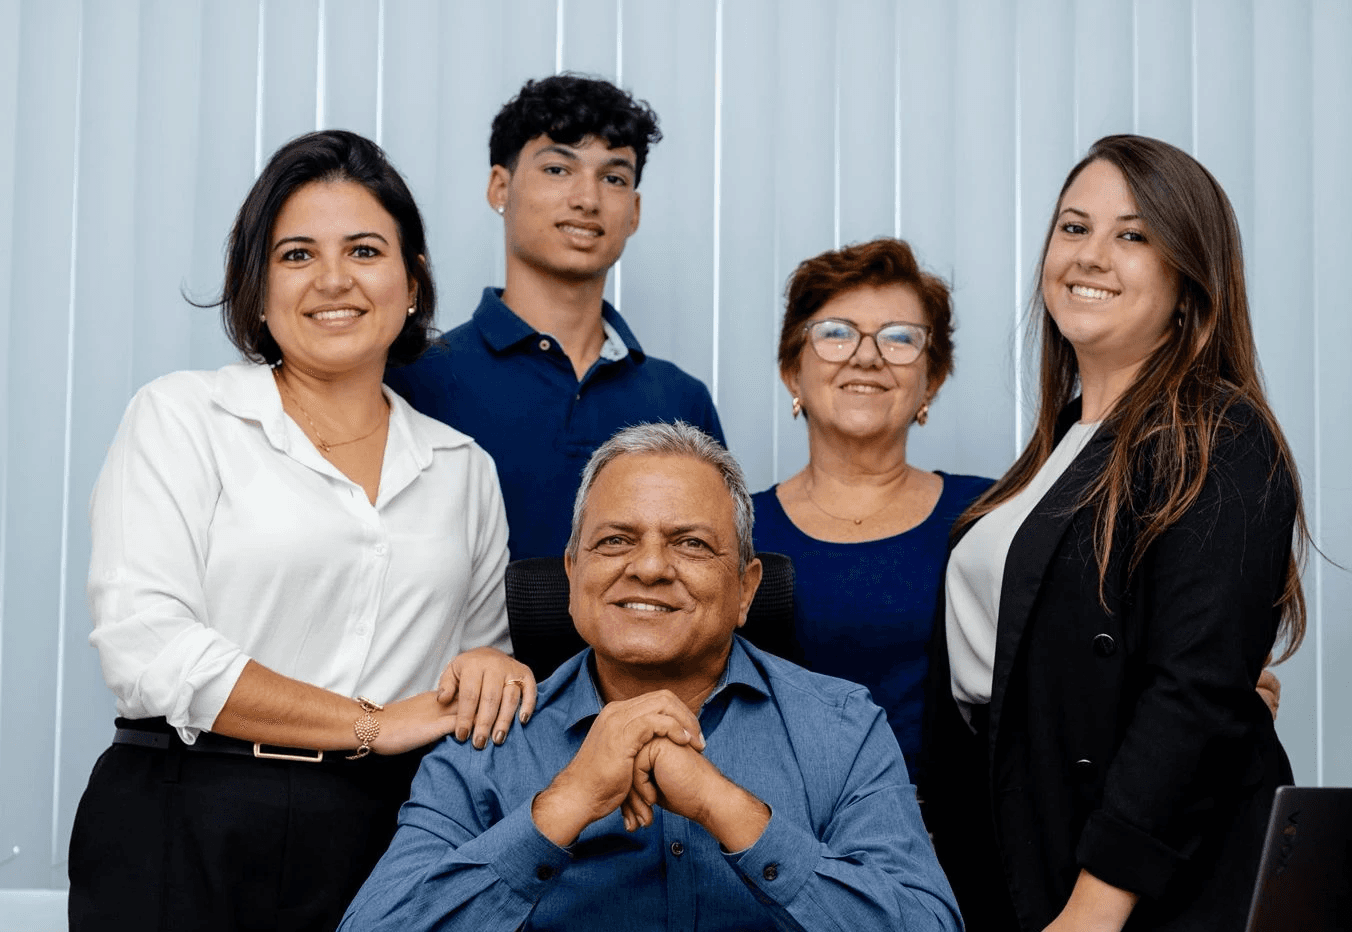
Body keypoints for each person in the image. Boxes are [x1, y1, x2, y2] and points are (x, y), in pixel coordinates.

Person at [69, 130, 536, 932]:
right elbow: (147, 648)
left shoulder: (464, 468)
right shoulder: (184, 417)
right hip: (183, 815)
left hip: (384, 834)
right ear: (256, 288)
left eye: (363, 249)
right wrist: (373, 724)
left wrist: (492, 669)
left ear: (412, 282)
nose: (332, 279)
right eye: (295, 255)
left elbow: (473, 668)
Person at [340, 422, 963, 932]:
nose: (649, 567)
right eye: (615, 540)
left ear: (745, 589)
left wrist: (727, 809)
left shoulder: (841, 727)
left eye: (690, 544)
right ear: (573, 571)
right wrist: (565, 805)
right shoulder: (490, 733)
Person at [923, 134, 1306, 932]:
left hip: (1144, 895)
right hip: (1023, 857)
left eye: (1133, 235)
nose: (1091, 256)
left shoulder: (1220, 437)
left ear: (1188, 281)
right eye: (1074, 227)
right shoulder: (1057, 451)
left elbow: (1194, 694)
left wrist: (1096, 909)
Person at [385, 74, 724, 560]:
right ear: (500, 187)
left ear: (634, 211)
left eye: (613, 178)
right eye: (558, 169)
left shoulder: (681, 401)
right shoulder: (415, 378)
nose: (587, 199)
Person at [746, 238, 992, 779]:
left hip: (951, 845)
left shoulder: (990, 516)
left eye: (899, 337)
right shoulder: (734, 530)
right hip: (769, 841)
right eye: (835, 333)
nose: (866, 355)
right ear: (792, 371)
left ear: (932, 379)